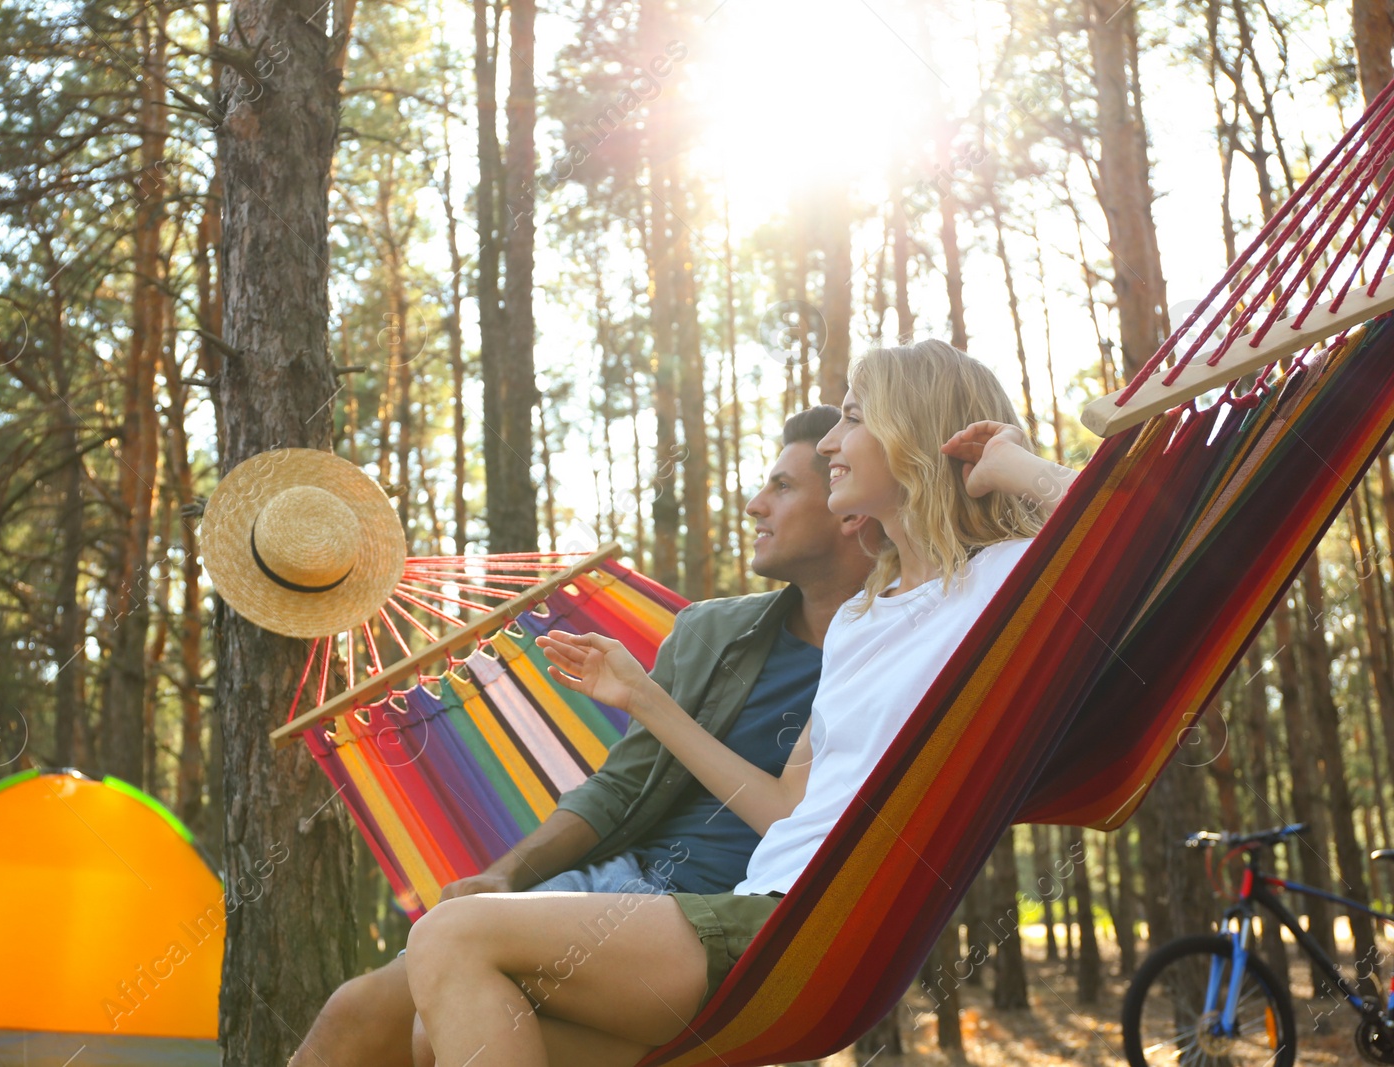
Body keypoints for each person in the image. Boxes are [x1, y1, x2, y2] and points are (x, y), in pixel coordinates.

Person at [402, 339, 1078, 1067]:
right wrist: (645, 698)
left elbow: (1146, 546)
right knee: (438, 1028)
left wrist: (1016, 466)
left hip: (804, 931)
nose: (830, 443)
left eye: (851, 419)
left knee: (449, 935)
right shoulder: (862, 618)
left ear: (913, 433)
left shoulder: (1000, 582)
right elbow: (789, 807)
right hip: (763, 915)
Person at [287, 406, 878, 1067]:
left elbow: (803, 820)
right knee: (359, 1014)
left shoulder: (896, 656)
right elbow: (621, 786)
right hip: (616, 886)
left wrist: (649, 701)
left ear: (852, 504)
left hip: (725, 925)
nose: (753, 505)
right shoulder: (714, 633)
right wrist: (506, 874)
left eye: (783, 486)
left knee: (434, 1028)